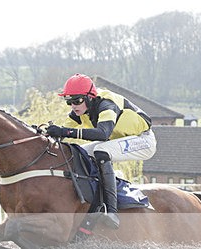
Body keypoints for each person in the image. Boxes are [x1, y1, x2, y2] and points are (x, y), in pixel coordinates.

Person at [45, 74, 157, 230]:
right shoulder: (79, 111)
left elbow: (102, 134)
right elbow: (63, 137)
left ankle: (111, 212)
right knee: (79, 154)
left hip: (143, 141)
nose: (73, 106)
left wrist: (64, 131)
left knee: (101, 151)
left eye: (77, 101)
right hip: (116, 140)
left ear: (90, 97)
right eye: (69, 102)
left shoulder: (106, 105)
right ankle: (94, 199)